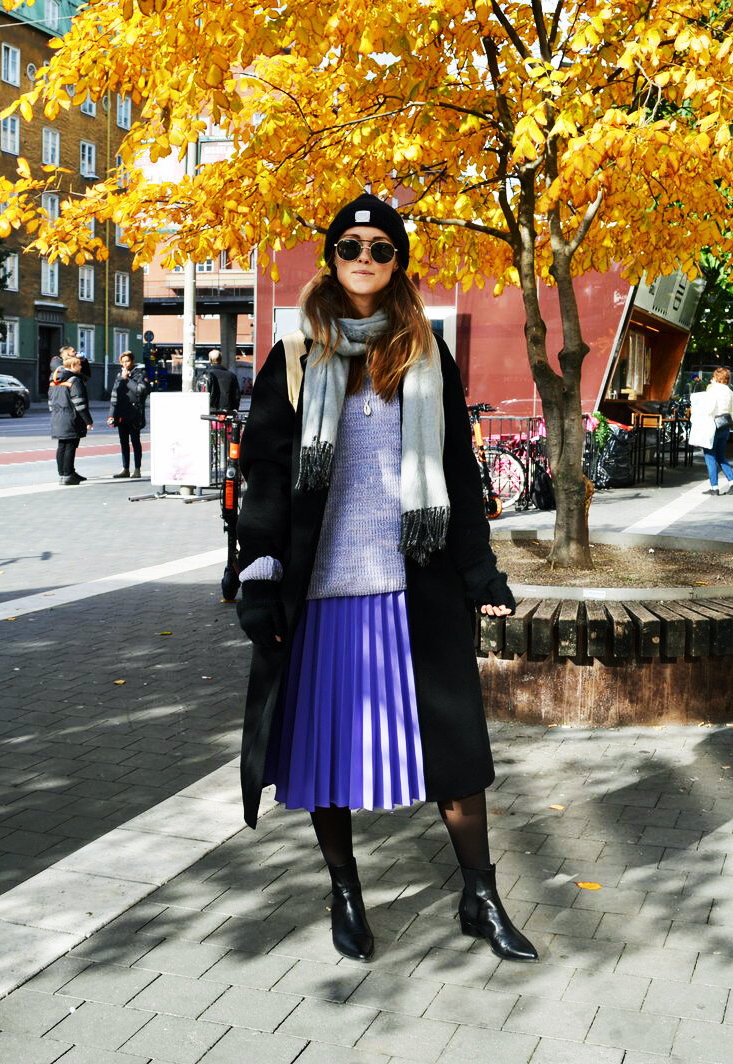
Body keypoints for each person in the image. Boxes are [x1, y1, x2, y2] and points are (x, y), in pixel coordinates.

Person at [234, 193, 537, 964]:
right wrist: (259, 573)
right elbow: (264, 474)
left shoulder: (427, 354)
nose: (363, 258)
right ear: (331, 258)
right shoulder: (297, 357)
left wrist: (478, 567)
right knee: (327, 754)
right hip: (324, 593)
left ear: (397, 261)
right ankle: (344, 892)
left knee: (456, 757)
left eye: (379, 247)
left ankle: (480, 896)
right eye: (349, 246)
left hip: (415, 590)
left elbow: (458, 474)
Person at [692, 367, 733, 495]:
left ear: (717, 377)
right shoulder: (729, 392)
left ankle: (714, 488)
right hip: (725, 426)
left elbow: (708, 409)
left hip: (712, 426)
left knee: (710, 456)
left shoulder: (713, 390)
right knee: (721, 456)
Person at [49, 352, 93, 484]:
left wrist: (57, 413)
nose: (80, 368)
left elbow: (50, 403)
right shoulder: (75, 380)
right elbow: (79, 403)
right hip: (70, 418)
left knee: (62, 445)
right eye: (79, 365)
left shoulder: (54, 380)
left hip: (57, 417)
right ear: (73, 365)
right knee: (70, 446)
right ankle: (68, 475)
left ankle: (63, 474)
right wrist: (88, 421)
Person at [107, 351, 149, 478]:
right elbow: (114, 394)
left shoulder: (140, 374)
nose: (125, 364)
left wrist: (127, 380)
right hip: (121, 412)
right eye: (123, 361)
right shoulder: (119, 375)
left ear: (132, 361)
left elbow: (141, 390)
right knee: (123, 441)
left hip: (135, 412)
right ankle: (125, 468)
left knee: (135, 441)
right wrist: (111, 415)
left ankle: (137, 469)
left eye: (127, 361)